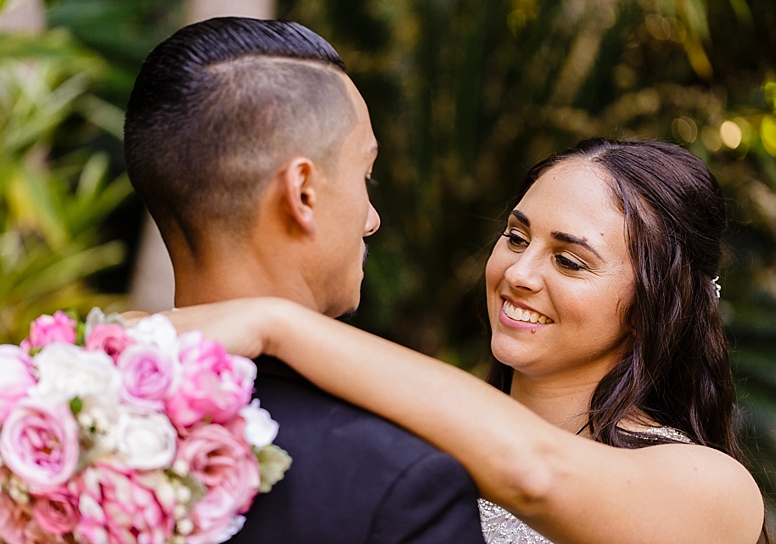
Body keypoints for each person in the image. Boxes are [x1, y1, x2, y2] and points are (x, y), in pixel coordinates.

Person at [163, 138, 766, 543]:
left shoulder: (713, 489)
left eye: (570, 261)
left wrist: (275, 324)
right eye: (516, 237)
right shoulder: (414, 437)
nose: (519, 273)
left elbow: (536, 473)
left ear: (655, 305)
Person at [120, 17, 484, 542]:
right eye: (365, 176)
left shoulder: (54, 418)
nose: (372, 219)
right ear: (303, 193)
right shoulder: (401, 482)